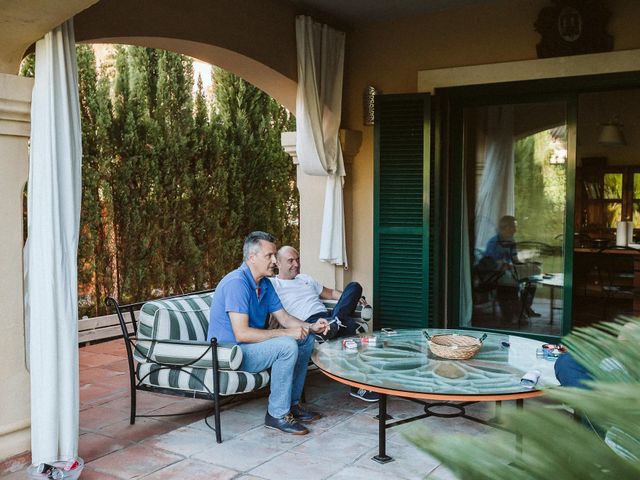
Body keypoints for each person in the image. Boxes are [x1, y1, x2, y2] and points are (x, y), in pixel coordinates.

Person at [207, 231, 330, 435]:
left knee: (305, 339)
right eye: (269, 256)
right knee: (287, 345)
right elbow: (242, 334)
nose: (274, 260)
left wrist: (310, 327)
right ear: (252, 257)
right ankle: (277, 415)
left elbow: (284, 317)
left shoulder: (264, 284)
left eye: (274, 255)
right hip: (231, 353)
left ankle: (292, 406)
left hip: (250, 348)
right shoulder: (237, 283)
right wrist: (286, 334)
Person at [270, 245, 379, 403]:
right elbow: (274, 312)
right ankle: (358, 387)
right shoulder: (273, 285)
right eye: (290, 261)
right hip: (310, 323)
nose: (296, 264)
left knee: (355, 287)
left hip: (329, 315)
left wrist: (351, 298)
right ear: (278, 264)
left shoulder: (306, 279)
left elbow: (331, 293)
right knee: (349, 326)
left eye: (298, 259)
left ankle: (337, 321)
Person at [483, 215, 540, 322]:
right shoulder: (494, 242)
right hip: (495, 273)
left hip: (509, 270)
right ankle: (515, 312)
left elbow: (514, 259)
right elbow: (491, 263)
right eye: (513, 227)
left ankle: (525, 306)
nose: (515, 230)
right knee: (510, 279)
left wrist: (526, 264)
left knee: (534, 272)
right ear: (505, 227)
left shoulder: (511, 241)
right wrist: (508, 266)